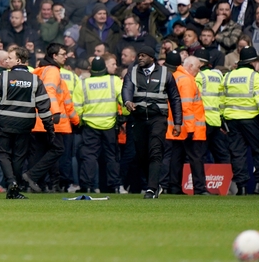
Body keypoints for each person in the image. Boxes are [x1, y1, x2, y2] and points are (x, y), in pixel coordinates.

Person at [0, 46, 53, 200]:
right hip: (25, 125)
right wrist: (50, 128)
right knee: (19, 156)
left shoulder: (3, 77)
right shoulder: (35, 80)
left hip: (5, 123)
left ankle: (11, 181)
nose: (7, 60)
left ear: (19, 60)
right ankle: (15, 188)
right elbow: (44, 106)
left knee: (2, 153)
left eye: (10, 58)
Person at [122, 46, 183, 199]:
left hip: (158, 118)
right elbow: (127, 88)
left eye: (143, 55)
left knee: (155, 152)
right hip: (139, 118)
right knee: (141, 154)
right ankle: (155, 183)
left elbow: (175, 98)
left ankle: (151, 188)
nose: (140, 58)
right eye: (139, 55)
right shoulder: (133, 72)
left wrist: (178, 122)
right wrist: (128, 101)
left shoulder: (165, 74)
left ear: (152, 58)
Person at [220, 46, 259, 196]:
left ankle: (241, 188)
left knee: (237, 154)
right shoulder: (257, 77)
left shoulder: (228, 76)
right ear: (254, 61)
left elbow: (222, 101)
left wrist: (222, 119)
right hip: (252, 120)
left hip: (232, 121)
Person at [26, 43, 77, 192]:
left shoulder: (40, 70)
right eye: (63, 54)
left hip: (36, 119)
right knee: (57, 149)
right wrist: (54, 113)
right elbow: (49, 92)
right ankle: (32, 177)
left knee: (39, 152)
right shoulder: (53, 71)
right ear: (54, 56)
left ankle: (34, 183)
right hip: (48, 119)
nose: (66, 56)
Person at [73, 57, 126, 194]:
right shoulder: (113, 80)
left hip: (90, 126)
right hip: (110, 125)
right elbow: (124, 99)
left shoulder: (83, 84)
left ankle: (87, 186)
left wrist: (78, 123)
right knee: (111, 156)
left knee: (89, 156)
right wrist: (124, 115)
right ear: (104, 68)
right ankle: (114, 186)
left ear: (91, 69)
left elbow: (77, 107)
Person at [164, 53, 208, 196]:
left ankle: (174, 187)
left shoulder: (176, 77)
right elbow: (186, 107)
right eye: (198, 67)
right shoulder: (187, 80)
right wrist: (190, 129)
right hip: (187, 127)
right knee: (196, 158)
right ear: (189, 66)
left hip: (175, 127)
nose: (199, 71)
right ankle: (200, 189)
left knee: (177, 158)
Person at [194, 49, 229, 163]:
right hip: (216, 119)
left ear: (201, 63)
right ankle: (228, 178)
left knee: (199, 154)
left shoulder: (198, 76)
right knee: (221, 153)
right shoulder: (217, 75)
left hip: (203, 120)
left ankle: (200, 179)